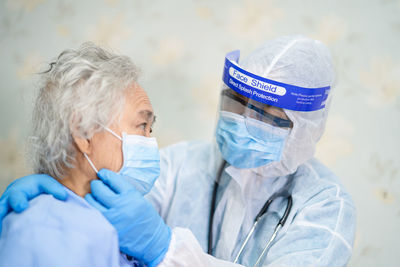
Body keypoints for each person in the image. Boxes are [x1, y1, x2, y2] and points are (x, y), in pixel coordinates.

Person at [0, 35, 356, 266]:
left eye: (266, 115)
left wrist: (165, 248)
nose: (244, 121)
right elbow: (108, 193)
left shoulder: (324, 207)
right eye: (236, 102)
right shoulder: (185, 164)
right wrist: (57, 192)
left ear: (305, 128)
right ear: (82, 131)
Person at [0, 43, 170, 267]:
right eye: (142, 125)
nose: (150, 142)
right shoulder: (46, 233)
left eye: (151, 129)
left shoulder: (111, 230)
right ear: (83, 133)